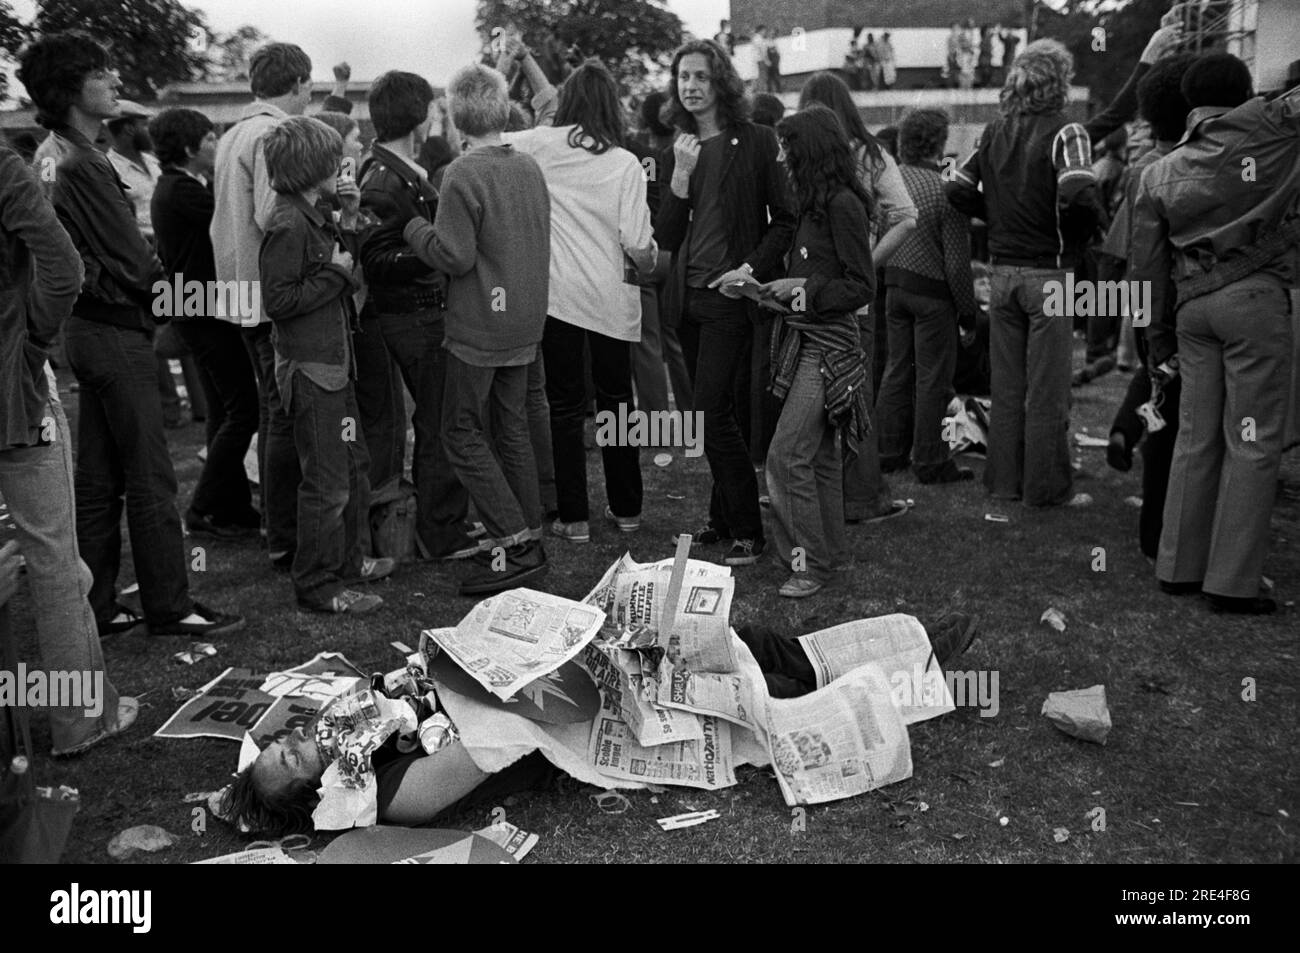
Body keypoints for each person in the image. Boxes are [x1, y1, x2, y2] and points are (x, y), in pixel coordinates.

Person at [222, 610, 979, 835]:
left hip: (556, 674)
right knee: (729, 693)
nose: (292, 740)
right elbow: (491, 743)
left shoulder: (364, 714)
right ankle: (914, 671)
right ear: (316, 792)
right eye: (289, 760)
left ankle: (903, 647)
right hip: (567, 720)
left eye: (282, 740)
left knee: (728, 636)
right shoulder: (385, 794)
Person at [19, 31, 244, 639]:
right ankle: (170, 605)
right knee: (150, 476)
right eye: (102, 71)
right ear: (70, 89)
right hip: (115, 332)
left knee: (98, 478)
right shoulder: (84, 161)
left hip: (86, 333)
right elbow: (134, 264)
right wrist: (196, 304)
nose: (116, 80)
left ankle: (97, 606)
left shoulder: (52, 152)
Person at [1129, 54, 1299, 615]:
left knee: (1194, 437)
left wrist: (1155, 338)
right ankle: (1230, 582)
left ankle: (1177, 566)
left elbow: (1145, 269)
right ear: (1248, 87)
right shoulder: (1275, 127)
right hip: (1254, 304)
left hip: (1191, 313)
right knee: (1251, 441)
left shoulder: (1157, 171)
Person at [0, 139, 138, 756]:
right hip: (14, 392)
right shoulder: (7, 165)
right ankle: (80, 720)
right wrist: (29, 342)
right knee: (54, 561)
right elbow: (64, 266)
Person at [402, 64, 551, 596]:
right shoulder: (529, 167)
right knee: (510, 428)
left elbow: (455, 256)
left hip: (481, 325)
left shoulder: (463, 172)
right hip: (526, 317)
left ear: (457, 113)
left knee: (460, 432)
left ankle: (516, 541)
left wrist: (414, 226)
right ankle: (528, 533)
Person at [655, 39, 797, 567]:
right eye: (683, 77)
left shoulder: (757, 140)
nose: (690, 86)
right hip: (686, 298)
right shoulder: (680, 149)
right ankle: (720, 519)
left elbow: (785, 219)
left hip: (730, 295)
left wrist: (750, 270)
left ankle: (748, 530)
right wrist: (679, 180)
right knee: (720, 411)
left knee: (709, 411)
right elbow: (665, 237)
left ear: (721, 83)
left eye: (700, 77)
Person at [945, 40, 1103, 508]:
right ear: (1059, 81)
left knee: (1007, 388)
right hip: (1050, 274)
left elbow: (955, 188)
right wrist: (1080, 239)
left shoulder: (994, 131)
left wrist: (993, 214)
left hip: (1002, 273)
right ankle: (1046, 489)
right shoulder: (1068, 130)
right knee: (1049, 390)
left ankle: (1003, 482)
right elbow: (1078, 192)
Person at [503, 60, 656, 545]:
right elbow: (636, 241)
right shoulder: (625, 163)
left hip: (560, 297)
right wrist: (650, 255)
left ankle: (574, 517)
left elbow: (492, 137)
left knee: (566, 406)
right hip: (611, 297)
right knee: (617, 405)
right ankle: (627, 508)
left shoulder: (539, 146)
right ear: (612, 105)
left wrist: (509, 72)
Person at [258, 116, 396, 614]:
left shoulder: (314, 213)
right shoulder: (288, 223)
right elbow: (278, 299)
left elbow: (342, 262)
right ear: (313, 166)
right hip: (313, 372)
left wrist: (351, 219)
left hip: (335, 365)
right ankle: (317, 582)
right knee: (327, 481)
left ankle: (349, 560)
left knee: (353, 466)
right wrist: (335, 277)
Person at [357, 71, 479, 562]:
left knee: (436, 420)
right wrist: (436, 252)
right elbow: (376, 260)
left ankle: (438, 525)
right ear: (420, 115)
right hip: (411, 315)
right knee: (439, 421)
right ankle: (439, 532)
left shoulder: (395, 168)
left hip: (416, 312)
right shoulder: (385, 179)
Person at [754, 106, 874, 598]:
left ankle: (807, 563)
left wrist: (801, 288)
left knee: (786, 456)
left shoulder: (842, 204)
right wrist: (773, 291)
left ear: (809, 151)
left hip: (828, 345)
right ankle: (829, 554)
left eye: (788, 147)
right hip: (807, 336)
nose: (781, 157)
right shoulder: (814, 201)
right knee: (819, 455)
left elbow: (860, 285)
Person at [211, 42, 315, 571]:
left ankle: (278, 526)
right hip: (266, 294)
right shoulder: (273, 133)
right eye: (309, 86)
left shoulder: (232, 133)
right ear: (298, 83)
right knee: (282, 414)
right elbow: (275, 215)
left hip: (238, 290)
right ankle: (285, 533)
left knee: (273, 412)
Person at [798, 72, 918, 523]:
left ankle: (812, 494)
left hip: (804, 292)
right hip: (853, 299)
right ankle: (861, 500)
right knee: (854, 397)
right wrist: (868, 262)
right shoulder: (870, 156)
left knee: (806, 398)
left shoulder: (800, 153)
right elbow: (907, 216)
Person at [1102, 53, 1197, 561]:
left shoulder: (1141, 170)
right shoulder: (1200, 165)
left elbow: (1117, 250)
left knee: (1153, 378)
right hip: (1184, 302)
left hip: (1142, 301)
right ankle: (1158, 530)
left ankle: (1123, 428)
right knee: (1176, 413)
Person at [149, 107, 261, 539]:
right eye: (210, 139)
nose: (216, 145)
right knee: (243, 409)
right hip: (204, 311)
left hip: (200, 308)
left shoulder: (179, 186)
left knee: (223, 409)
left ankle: (229, 505)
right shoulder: (184, 192)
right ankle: (203, 506)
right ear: (190, 147)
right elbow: (232, 220)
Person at [876, 108, 978, 484]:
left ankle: (887, 452)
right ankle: (931, 459)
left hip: (894, 286)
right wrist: (969, 315)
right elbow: (956, 264)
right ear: (939, 142)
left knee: (896, 371)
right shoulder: (945, 188)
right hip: (933, 294)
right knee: (933, 378)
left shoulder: (891, 180)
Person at [628, 91, 694, 423]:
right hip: (674, 252)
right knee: (677, 340)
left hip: (643, 251)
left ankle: (654, 420)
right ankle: (691, 412)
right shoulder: (681, 156)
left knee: (647, 342)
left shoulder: (632, 153)